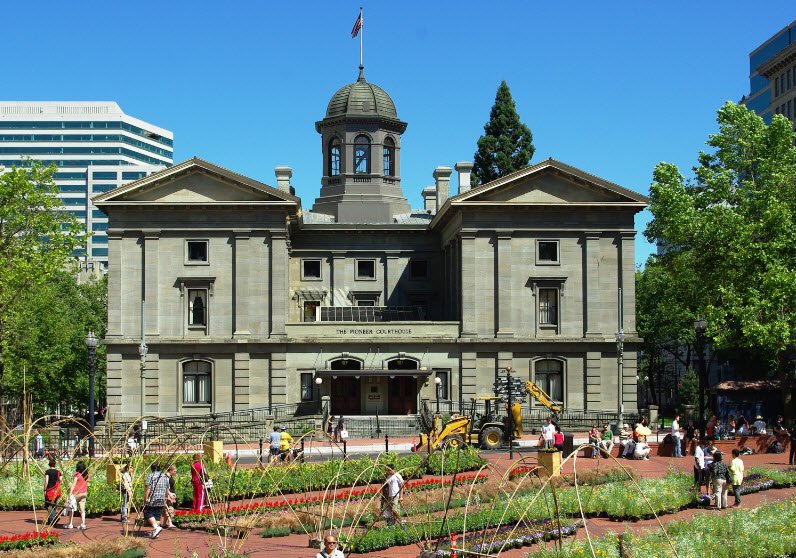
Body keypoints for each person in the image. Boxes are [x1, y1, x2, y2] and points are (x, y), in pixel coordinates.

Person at [144, 462, 169, 539]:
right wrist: (165, 498)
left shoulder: (151, 476)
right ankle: (156, 533)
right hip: (161, 498)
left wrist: (146, 498)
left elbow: (148, 488)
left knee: (147, 513)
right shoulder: (165, 476)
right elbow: (167, 489)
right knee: (157, 516)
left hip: (153, 498)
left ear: (152, 469)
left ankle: (156, 527)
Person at [66, 461, 89, 530]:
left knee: (71, 507)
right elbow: (87, 483)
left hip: (77, 493)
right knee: (82, 509)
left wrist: (70, 494)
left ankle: (70, 523)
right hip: (84, 493)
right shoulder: (86, 474)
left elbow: (74, 484)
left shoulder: (77, 474)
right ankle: (83, 524)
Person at [43, 458, 62, 526]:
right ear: (55, 464)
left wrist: (45, 490)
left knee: (48, 505)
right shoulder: (58, 472)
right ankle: (50, 520)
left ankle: (54, 517)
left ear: (49, 464)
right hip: (57, 491)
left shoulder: (48, 472)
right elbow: (61, 481)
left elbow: (46, 481)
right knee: (54, 505)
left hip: (50, 490)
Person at [162, 464, 177, 528]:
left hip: (171, 494)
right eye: (174, 471)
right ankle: (170, 523)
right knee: (168, 508)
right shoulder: (166, 477)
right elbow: (166, 487)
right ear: (170, 470)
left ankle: (164, 523)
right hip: (167, 494)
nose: (175, 473)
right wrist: (169, 494)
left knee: (168, 507)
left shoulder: (170, 476)